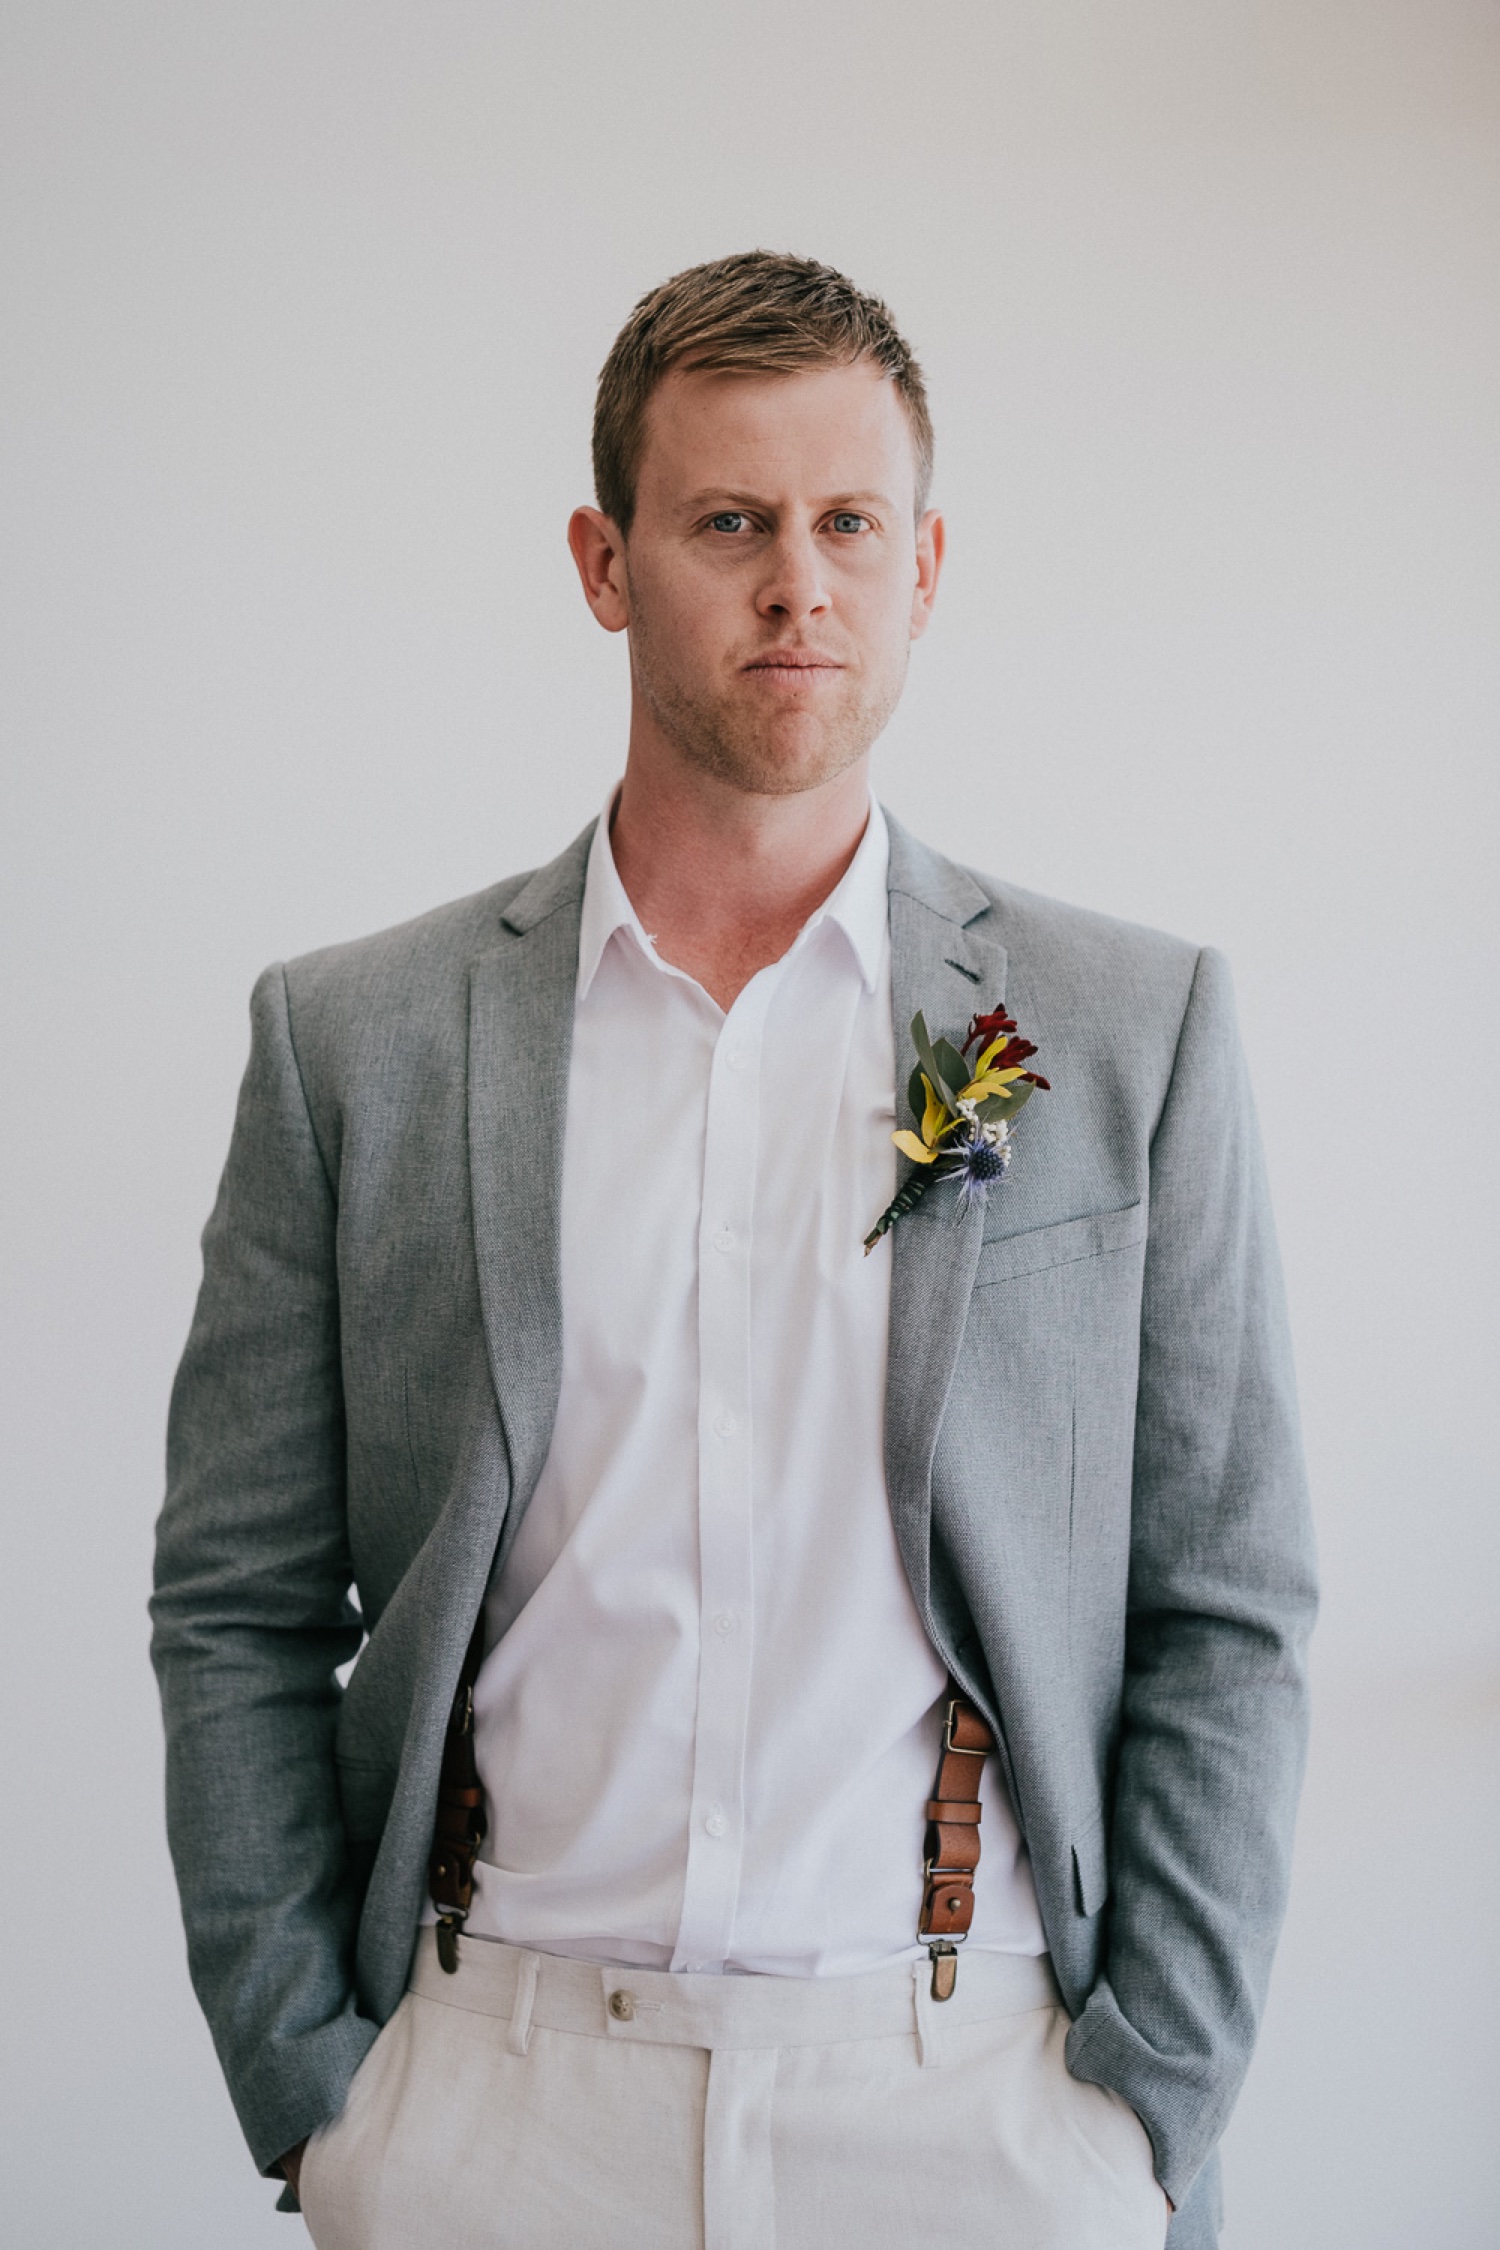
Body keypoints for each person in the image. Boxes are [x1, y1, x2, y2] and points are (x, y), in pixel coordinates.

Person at [151, 251, 1316, 2250]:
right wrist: (315, 2099)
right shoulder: (354, 1042)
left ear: (927, 562)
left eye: (851, 522)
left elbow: (1229, 1598)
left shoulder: (1127, 1034)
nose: (802, 582)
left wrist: (1146, 2107)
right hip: (490, 2101)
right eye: (731, 523)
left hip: (977, 2110)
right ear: (607, 565)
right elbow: (240, 1601)